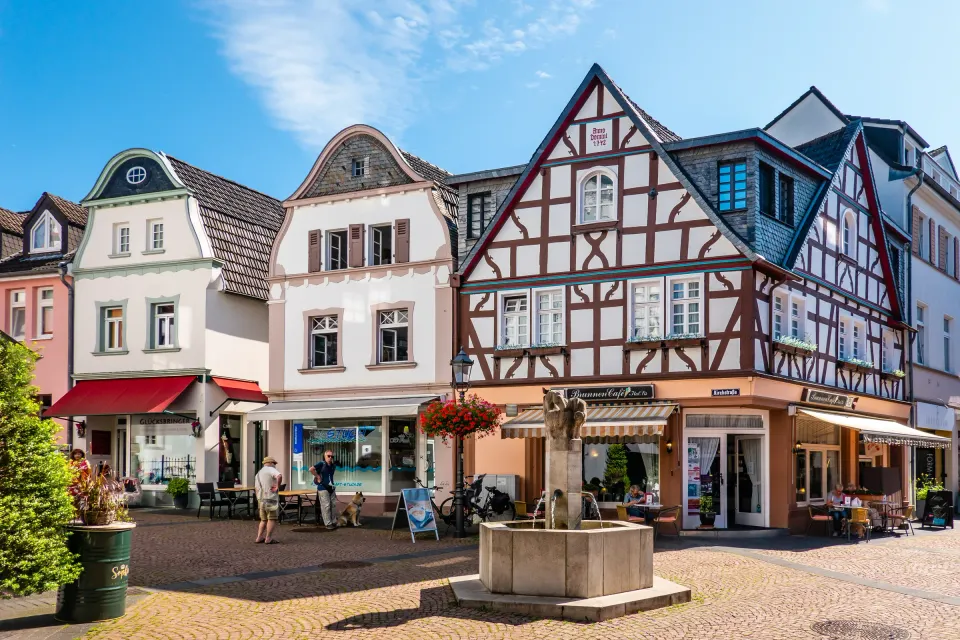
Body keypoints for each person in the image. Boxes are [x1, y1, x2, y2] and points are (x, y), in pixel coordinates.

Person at [254, 456, 282, 544]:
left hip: (260, 499)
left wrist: (258, 498)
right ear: (270, 463)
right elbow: (279, 476)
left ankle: (259, 537)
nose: (275, 466)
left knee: (263, 519)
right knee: (272, 518)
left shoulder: (258, 473)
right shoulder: (270, 469)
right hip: (270, 498)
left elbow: (256, 488)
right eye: (274, 464)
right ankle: (268, 538)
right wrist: (277, 486)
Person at [311, 450, 338, 530]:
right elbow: (311, 469)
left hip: (331, 487)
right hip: (322, 487)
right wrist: (318, 476)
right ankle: (328, 523)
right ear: (325, 456)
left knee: (333, 505)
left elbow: (331, 476)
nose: (330, 458)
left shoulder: (333, 466)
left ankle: (333, 521)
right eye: (328, 456)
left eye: (332, 456)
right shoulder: (321, 463)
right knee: (326, 506)